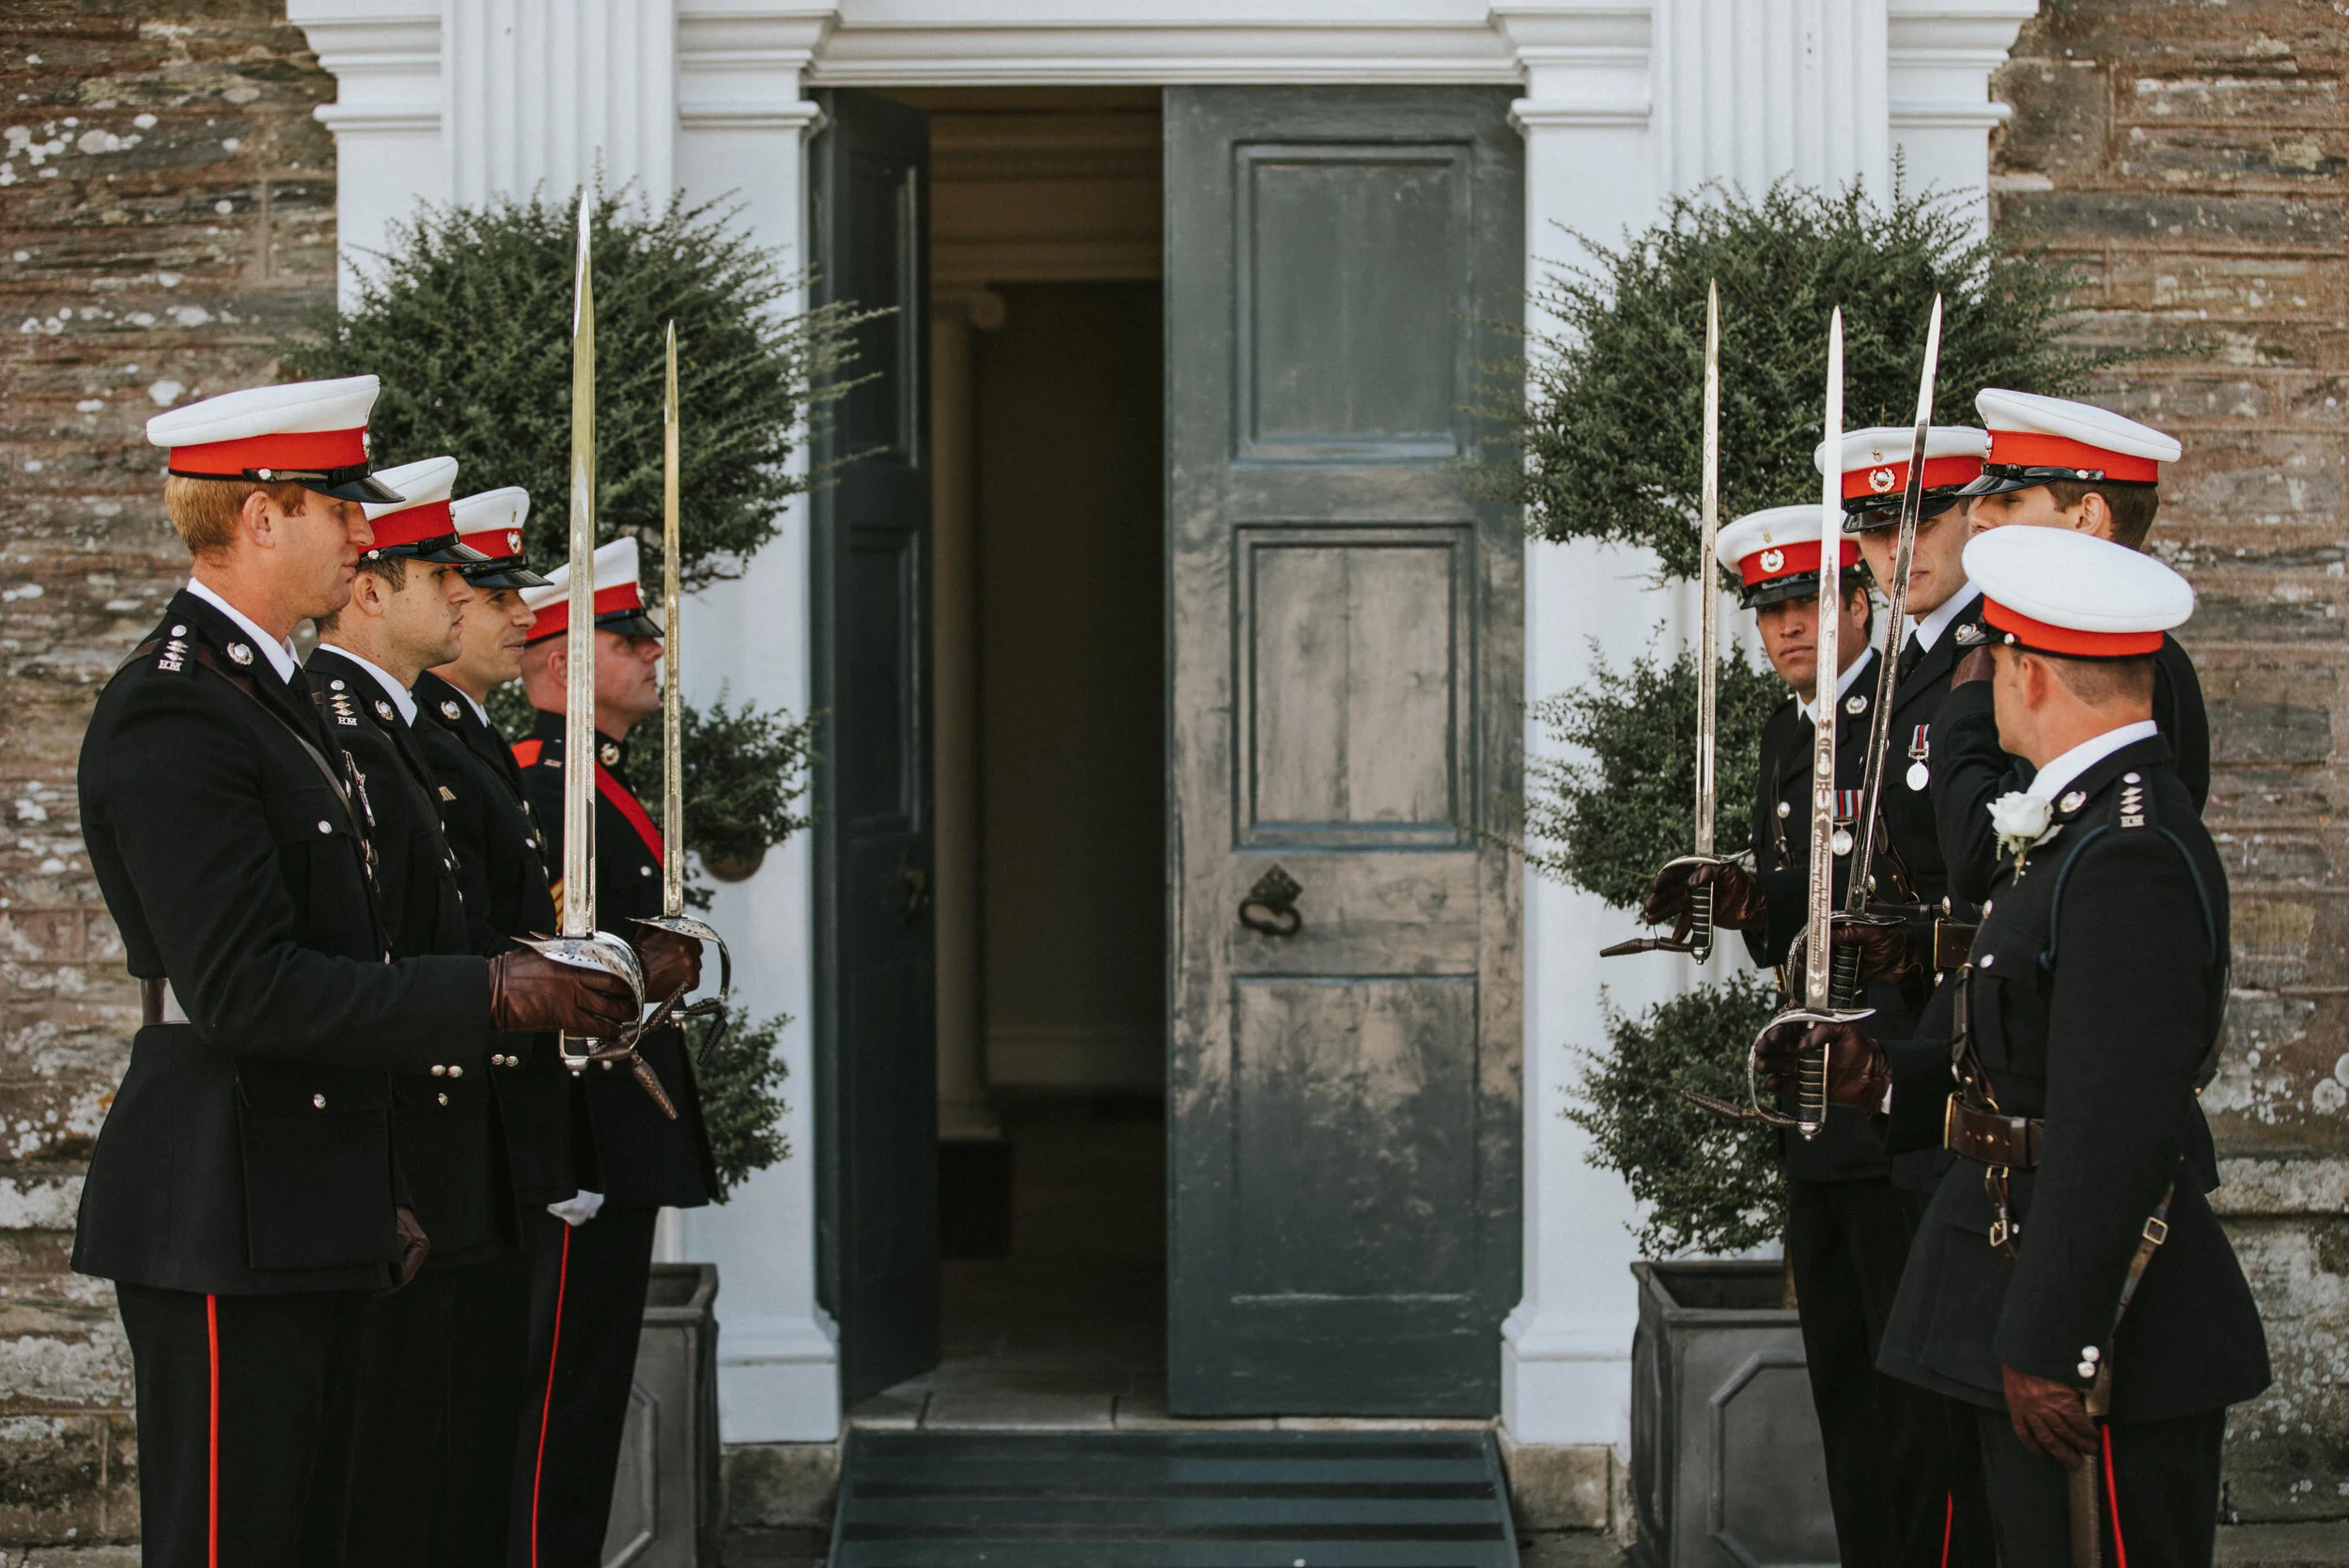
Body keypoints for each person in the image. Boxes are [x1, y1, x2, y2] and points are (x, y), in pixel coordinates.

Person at [73, 379, 632, 1568]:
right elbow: (247, 989)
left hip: (310, 1184)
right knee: (243, 1538)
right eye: (337, 505)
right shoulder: (176, 713)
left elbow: (352, 958)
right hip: (225, 1196)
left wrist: (383, 1174)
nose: (364, 535)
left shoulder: (276, 702)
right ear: (261, 518)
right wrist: (487, 994)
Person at [1758, 524, 2269, 1568]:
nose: (1970, 686)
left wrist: (2054, 1341)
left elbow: (2116, 1126)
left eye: (1985, 664)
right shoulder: (2076, 825)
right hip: (2013, 1270)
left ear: (2028, 674)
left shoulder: (2128, 853)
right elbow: (2018, 1038)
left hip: (2096, 1322)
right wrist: (1882, 1076)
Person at [1642, 506, 1949, 1567]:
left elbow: (1940, 909)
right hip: (1809, 1115)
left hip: (1892, 1096)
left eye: (1809, 605)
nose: (1785, 632)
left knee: (1911, 1391)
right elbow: (1796, 908)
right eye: (1768, 612)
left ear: (1861, 601)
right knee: (1842, 1381)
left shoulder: (1911, 723)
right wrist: (1743, 900)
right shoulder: (1790, 731)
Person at [308, 454, 515, 1568]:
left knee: (453, 1458)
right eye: (438, 573)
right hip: (402, 1139)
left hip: (452, 1134)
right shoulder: (344, 729)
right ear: (372, 591)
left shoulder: (400, 730)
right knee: (398, 1475)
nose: (467, 598)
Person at [510, 536, 714, 1568]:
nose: (650, 650)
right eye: (625, 635)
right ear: (557, 664)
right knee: (555, 1405)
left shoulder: (596, 781)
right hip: (579, 1137)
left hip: (611, 1132)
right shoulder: (547, 792)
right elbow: (545, 976)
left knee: (581, 1399)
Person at [408, 487, 575, 1567]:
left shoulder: (465, 736)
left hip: (501, 1114)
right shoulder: (415, 737)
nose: (518, 612)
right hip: (460, 1109)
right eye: (486, 588)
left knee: (481, 1429)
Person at [1935, 390, 2210, 905]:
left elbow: (1981, 852)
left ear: (2085, 515)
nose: (1976, 517)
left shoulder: (2134, 665)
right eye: (1980, 497)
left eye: (2008, 499)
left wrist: (1973, 695)